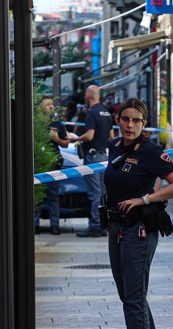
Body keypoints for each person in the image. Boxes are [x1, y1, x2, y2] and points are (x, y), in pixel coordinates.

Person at [101, 97, 173, 329]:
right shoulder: (115, 147)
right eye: (125, 119)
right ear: (118, 121)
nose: (129, 125)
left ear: (143, 123)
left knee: (134, 294)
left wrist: (145, 199)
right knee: (128, 293)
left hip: (138, 230)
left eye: (136, 120)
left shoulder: (151, 152)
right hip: (116, 226)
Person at [75, 85, 114, 237]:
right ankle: (105, 224)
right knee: (103, 192)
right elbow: (111, 137)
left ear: (88, 96)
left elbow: (89, 136)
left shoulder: (91, 113)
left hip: (92, 156)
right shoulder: (106, 113)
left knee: (95, 193)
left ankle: (95, 225)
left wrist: (77, 138)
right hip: (104, 157)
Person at [35, 97, 75, 235]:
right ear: (40, 107)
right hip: (38, 164)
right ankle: (34, 225)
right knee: (37, 195)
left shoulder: (57, 124)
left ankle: (54, 225)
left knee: (53, 196)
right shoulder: (35, 123)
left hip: (53, 164)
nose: (51, 107)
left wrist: (56, 139)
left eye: (52, 104)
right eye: (48, 105)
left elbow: (66, 143)